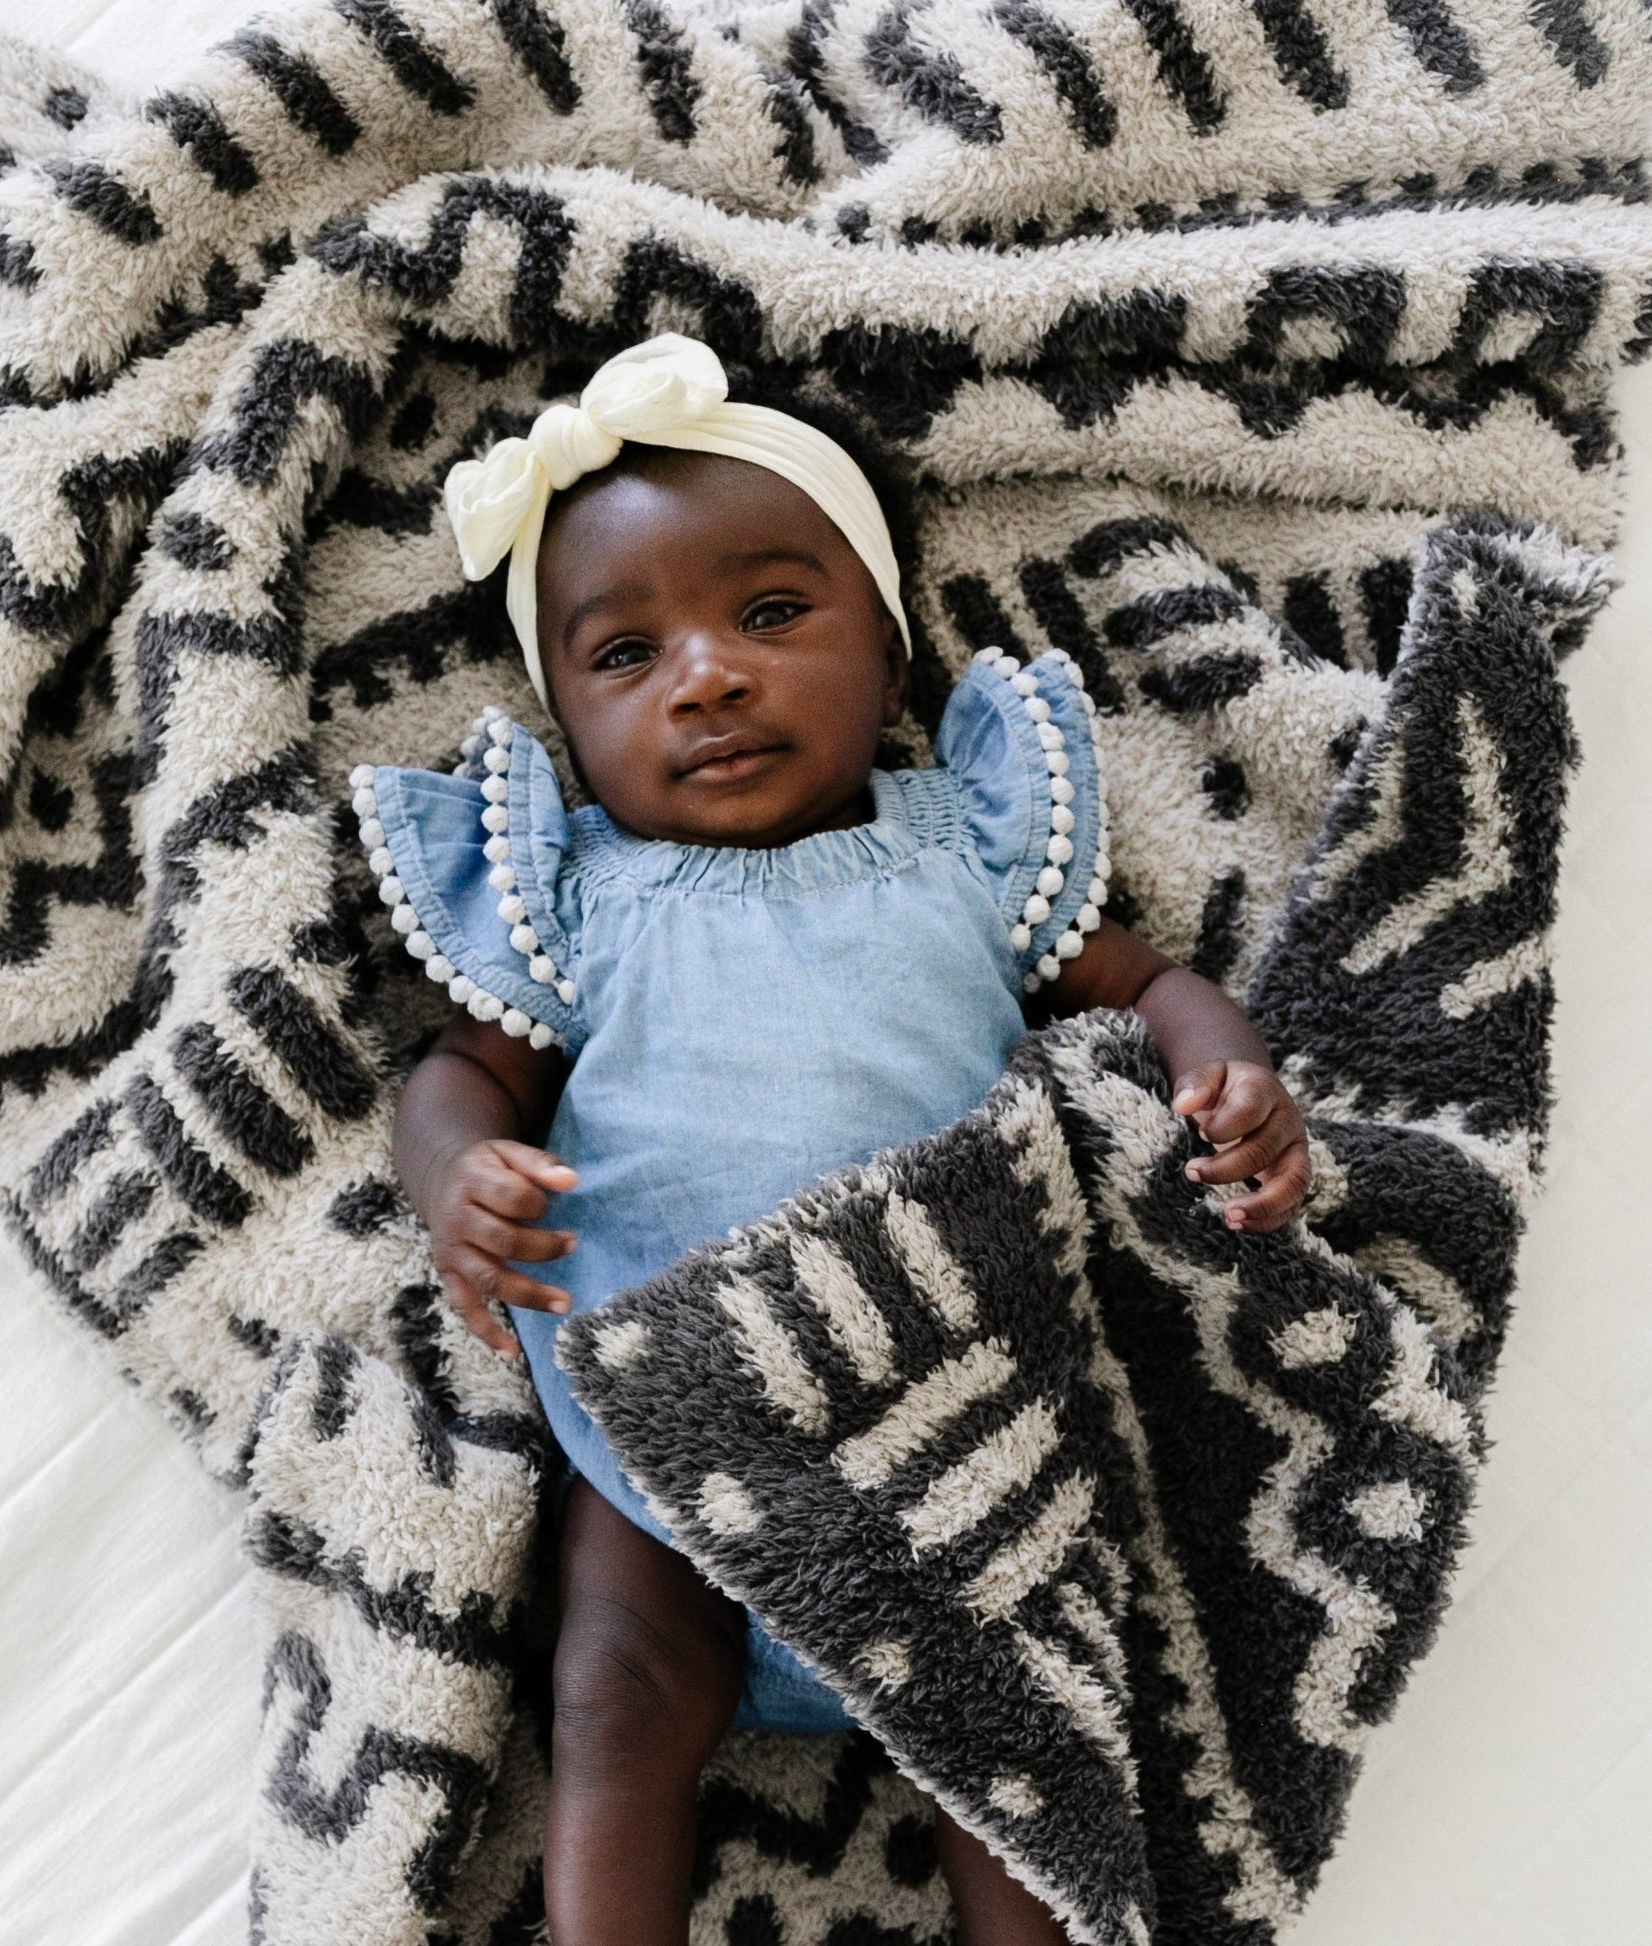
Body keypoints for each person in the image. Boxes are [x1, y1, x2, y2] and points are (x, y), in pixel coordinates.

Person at [349, 335, 1310, 1945]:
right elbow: (458, 1075)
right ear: (566, 720)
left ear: (888, 642)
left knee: (1013, 1756)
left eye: (771, 615)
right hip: (674, 1423)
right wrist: (455, 1172)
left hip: (954, 1421)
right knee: (608, 1702)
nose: (706, 677)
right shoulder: (573, 898)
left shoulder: (968, 847)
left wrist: (1223, 1062)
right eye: (624, 654)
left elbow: (1142, 982)